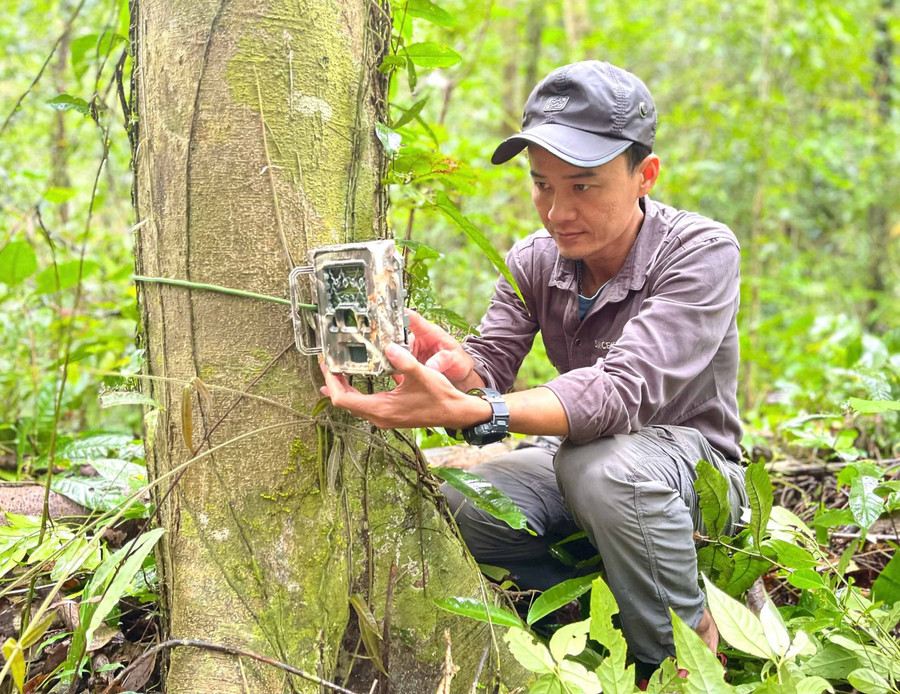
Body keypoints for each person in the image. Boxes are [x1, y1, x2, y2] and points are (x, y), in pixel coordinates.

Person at [320, 60, 747, 675]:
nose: (557, 210)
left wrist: (485, 407)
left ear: (644, 175)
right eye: (542, 184)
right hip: (578, 463)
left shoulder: (700, 252)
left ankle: (679, 655)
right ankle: (592, 607)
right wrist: (451, 369)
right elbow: (489, 368)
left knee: (602, 468)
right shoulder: (534, 261)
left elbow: (619, 393)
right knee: (463, 503)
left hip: (692, 474)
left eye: (583, 185)